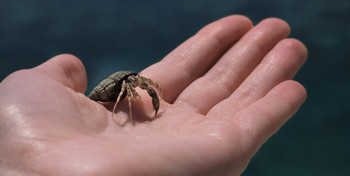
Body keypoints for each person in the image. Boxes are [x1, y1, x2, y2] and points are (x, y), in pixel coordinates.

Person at [0, 15, 308, 176]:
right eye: (136, 81)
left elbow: (142, 85)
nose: (140, 83)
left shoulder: (134, 82)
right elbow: (126, 90)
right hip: (104, 95)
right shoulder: (126, 86)